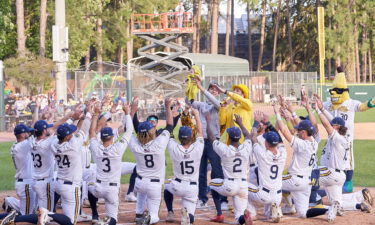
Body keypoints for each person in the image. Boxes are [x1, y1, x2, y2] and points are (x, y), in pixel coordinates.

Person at [319, 67, 375, 193]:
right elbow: (320, 108)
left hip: (346, 137)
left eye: (337, 91)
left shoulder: (350, 103)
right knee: (330, 157)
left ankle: (348, 182)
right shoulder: (329, 104)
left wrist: (372, 102)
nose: (334, 93)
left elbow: (362, 107)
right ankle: (333, 181)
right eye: (333, 91)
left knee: (348, 159)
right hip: (332, 135)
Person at [185, 80, 228, 213]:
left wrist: (202, 89)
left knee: (217, 170)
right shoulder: (201, 105)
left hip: (213, 141)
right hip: (200, 141)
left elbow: (215, 101)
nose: (213, 91)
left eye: (216, 89)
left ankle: (222, 199)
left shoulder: (217, 105)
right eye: (212, 89)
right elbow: (188, 101)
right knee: (201, 171)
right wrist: (190, 86)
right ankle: (202, 199)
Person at [87, 102, 133, 225]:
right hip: (112, 189)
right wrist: (127, 113)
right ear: (112, 137)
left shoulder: (96, 147)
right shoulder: (117, 148)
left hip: (98, 188)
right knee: (113, 219)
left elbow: (91, 132)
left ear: (101, 137)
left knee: (89, 185)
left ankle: (95, 214)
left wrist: (96, 115)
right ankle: (105, 222)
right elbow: (129, 131)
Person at [130, 98, 174, 225]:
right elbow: (170, 125)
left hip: (139, 181)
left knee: (141, 196)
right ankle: (148, 219)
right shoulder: (159, 143)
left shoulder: (135, 145)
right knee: (155, 215)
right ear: (152, 131)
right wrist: (167, 107)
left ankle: (138, 214)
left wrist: (132, 111)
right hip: (155, 184)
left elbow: (129, 130)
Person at [38, 115, 86, 225]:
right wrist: (82, 118)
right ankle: (48, 215)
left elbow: (61, 132)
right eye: (70, 134)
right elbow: (78, 130)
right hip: (71, 187)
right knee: (71, 221)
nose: (72, 134)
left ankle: (48, 215)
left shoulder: (54, 144)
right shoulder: (73, 145)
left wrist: (74, 119)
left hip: (59, 184)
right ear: (68, 136)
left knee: (66, 218)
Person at [209, 114, 253, 224]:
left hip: (229, 186)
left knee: (212, 184)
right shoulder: (246, 148)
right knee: (239, 218)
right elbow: (248, 136)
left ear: (229, 137)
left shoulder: (225, 150)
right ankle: (244, 218)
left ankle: (219, 213)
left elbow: (211, 138)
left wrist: (208, 121)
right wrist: (241, 123)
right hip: (243, 186)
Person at [164, 108, 204, 225]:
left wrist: (170, 111)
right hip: (192, 188)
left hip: (177, 185)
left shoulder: (173, 147)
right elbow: (200, 132)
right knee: (191, 215)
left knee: (166, 186)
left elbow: (169, 128)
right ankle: (188, 217)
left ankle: (170, 212)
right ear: (191, 137)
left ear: (180, 137)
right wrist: (196, 115)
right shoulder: (198, 148)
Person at [246, 111, 286, 223]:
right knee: (272, 193)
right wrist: (268, 122)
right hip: (278, 196)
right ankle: (273, 212)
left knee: (241, 186)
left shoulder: (262, 155)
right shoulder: (283, 153)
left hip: (263, 195)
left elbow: (252, 137)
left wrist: (255, 122)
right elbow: (281, 140)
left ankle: (252, 213)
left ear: (266, 144)